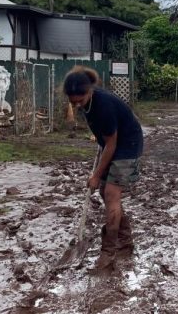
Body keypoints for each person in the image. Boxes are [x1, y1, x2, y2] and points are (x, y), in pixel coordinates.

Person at [63, 66, 143, 271]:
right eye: (74, 102)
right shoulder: (88, 104)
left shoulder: (103, 105)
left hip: (128, 145)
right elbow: (105, 141)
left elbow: (112, 144)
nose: (78, 105)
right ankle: (125, 240)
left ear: (90, 91)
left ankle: (108, 252)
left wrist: (96, 174)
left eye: (80, 100)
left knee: (110, 194)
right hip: (111, 143)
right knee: (104, 191)